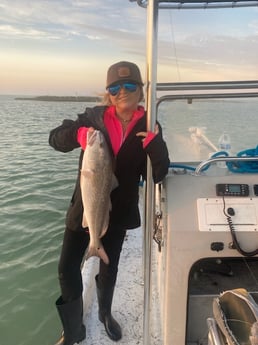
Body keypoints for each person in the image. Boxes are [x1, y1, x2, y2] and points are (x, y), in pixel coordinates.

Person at [49, 61, 170, 345]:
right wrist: (78, 135)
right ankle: (74, 331)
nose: (121, 92)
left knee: (109, 267)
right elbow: (55, 139)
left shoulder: (150, 125)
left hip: (120, 211)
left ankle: (105, 313)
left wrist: (155, 145)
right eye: (114, 88)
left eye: (129, 86)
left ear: (140, 90)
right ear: (108, 93)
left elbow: (160, 173)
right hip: (86, 208)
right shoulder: (93, 118)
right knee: (66, 267)